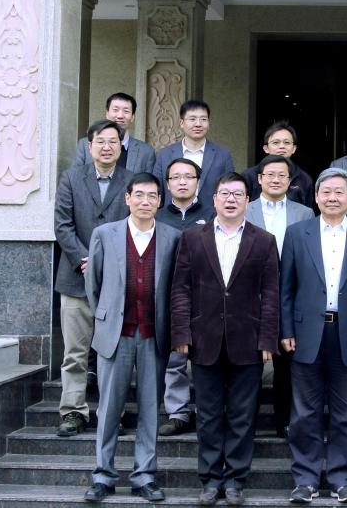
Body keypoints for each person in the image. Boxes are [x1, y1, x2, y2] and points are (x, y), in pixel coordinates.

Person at [170, 172, 280, 506]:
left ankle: (235, 480)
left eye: (237, 194)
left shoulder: (264, 240)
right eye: (224, 194)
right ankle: (210, 479)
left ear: (248, 200)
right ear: (214, 198)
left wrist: (268, 339)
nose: (231, 199)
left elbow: (271, 294)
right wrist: (182, 332)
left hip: (248, 341)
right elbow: (181, 289)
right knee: (208, 415)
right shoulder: (192, 238)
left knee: (242, 416)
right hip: (204, 339)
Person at [281, 168, 347, 505]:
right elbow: (286, 288)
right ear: (316, 196)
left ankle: (343, 479)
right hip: (306, 332)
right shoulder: (298, 233)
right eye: (326, 192)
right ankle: (305, 479)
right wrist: (286, 329)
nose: (333, 198)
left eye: (340, 192)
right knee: (304, 413)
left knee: (345, 413)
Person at [82, 173, 179, 504]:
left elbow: (174, 287)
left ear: (160, 201)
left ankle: (144, 476)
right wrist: (106, 317)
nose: (145, 202)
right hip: (115, 334)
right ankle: (103, 475)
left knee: (151, 409)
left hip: (153, 335)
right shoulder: (105, 234)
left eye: (152, 196)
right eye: (139, 195)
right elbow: (93, 286)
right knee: (109, 408)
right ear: (127, 198)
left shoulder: (172, 237)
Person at [54, 120, 132, 438]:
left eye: (113, 141)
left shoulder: (131, 181)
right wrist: (85, 260)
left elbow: (136, 225)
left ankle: (111, 413)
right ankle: (73, 411)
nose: (106, 147)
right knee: (75, 352)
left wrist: (107, 263)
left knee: (112, 352)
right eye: (100, 141)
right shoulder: (71, 178)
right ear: (90, 146)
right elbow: (62, 225)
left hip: (117, 283)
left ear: (121, 147)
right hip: (75, 279)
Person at [244, 153, 314, 437]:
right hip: (250, 297)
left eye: (281, 175)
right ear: (259, 179)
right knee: (249, 366)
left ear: (290, 180)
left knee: (287, 364)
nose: (275, 180)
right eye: (270, 175)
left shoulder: (304, 213)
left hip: (290, 296)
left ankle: (285, 421)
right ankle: (246, 423)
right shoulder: (244, 209)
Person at [154, 158, 215, 438]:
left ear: (198, 183)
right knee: (174, 359)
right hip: (168, 295)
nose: (182, 182)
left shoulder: (213, 214)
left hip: (206, 296)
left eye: (188, 177)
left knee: (208, 358)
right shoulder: (157, 215)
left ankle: (208, 411)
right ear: (167, 184)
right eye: (175, 177)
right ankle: (178, 413)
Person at [153, 100, 235, 205]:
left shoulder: (223, 155)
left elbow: (230, 189)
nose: (198, 124)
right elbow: (157, 191)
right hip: (172, 214)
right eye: (192, 119)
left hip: (211, 214)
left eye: (203, 119)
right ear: (181, 123)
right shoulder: (165, 155)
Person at [72, 92, 156, 174]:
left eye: (126, 111)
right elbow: (75, 177)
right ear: (107, 113)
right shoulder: (84, 145)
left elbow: (149, 182)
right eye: (115, 110)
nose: (120, 116)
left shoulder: (146, 152)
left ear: (132, 117)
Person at [242, 121, 315, 208]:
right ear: (266, 148)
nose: (282, 146)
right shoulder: (248, 176)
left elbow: (307, 213)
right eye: (276, 142)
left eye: (287, 142)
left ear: (294, 148)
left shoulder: (304, 179)